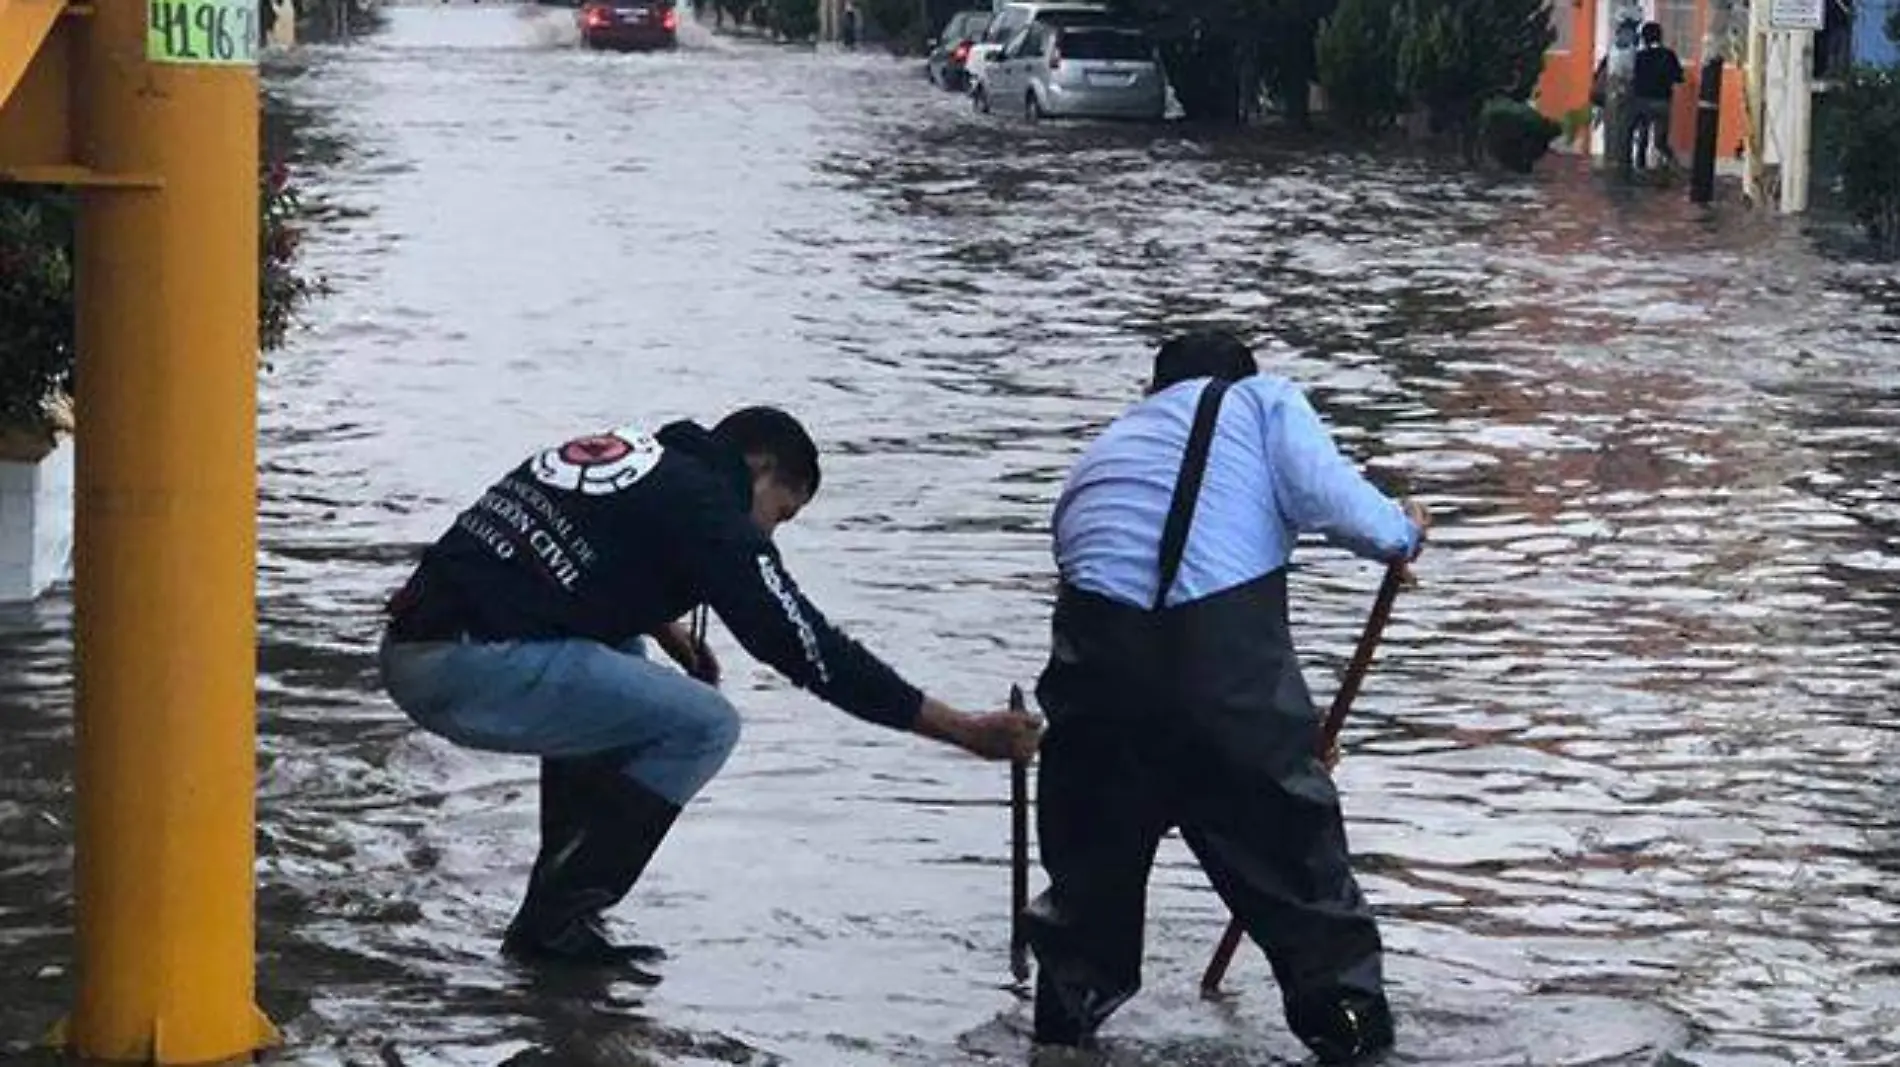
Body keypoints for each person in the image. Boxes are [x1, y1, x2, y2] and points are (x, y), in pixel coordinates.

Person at [379, 406, 1043, 968]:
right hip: (463, 668)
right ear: (757, 468)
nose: (769, 533)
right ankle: (552, 926)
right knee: (704, 723)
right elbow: (805, 646)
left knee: (624, 648)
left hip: (418, 643)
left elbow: (560, 556)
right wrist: (963, 730)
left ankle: (556, 901)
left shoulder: (642, 458)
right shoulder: (711, 512)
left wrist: (664, 625)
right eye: (780, 514)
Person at [1023, 332, 1429, 1064]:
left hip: (1091, 691)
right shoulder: (1261, 401)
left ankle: (1057, 1036)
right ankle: (1357, 1040)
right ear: (1240, 376)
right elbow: (1346, 510)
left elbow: (1092, 566)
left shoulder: (1108, 448)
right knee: (1305, 895)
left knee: (1085, 906)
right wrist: (1405, 532)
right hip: (1219, 689)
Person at [1631, 21, 1685, 169]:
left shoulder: (1639, 56)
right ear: (1660, 37)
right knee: (1660, 141)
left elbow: (1631, 78)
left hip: (1642, 102)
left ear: (1644, 38)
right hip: (1662, 103)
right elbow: (1679, 78)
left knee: (1642, 138)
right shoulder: (1668, 55)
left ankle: (1639, 169)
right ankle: (1674, 166)